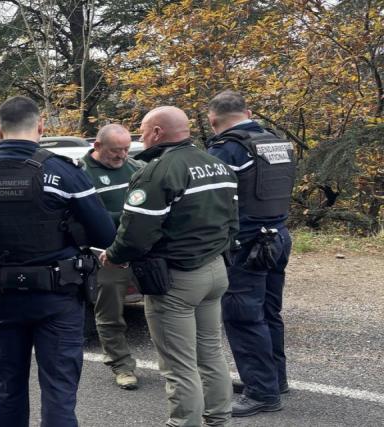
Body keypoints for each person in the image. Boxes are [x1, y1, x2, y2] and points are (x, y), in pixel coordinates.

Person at [0, 95, 115, 426]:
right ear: (40, 126)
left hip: (3, 297)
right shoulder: (63, 172)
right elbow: (105, 235)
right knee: (59, 392)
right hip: (57, 298)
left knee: (8, 389)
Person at [100, 106, 237, 426]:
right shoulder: (218, 165)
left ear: (158, 133)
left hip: (176, 279)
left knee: (179, 365)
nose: (141, 138)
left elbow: (135, 232)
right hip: (216, 271)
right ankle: (219, 419)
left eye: (143, 131)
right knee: (211, 353)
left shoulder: (157, 171)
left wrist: (115, 256)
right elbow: (233, 223)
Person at [206, 90, 296, 417]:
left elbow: (209, 198)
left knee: (243, 316)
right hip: (278, 236)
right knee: (270, 311)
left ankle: (261, 392)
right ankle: (274, 380)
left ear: (213, 120)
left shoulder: (227, 149)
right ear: (249, 111)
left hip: (246, 244)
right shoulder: (278, 142)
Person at [79, 124, 144, 390]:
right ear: (97, 146)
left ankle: (175, 364)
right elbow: (89, 219)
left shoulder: (136, 167)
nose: (121, 156)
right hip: (107, 254)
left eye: (126, 149)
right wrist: (132, 217)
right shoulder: (81, 173)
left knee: (164, 307)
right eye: (115, 151)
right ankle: (121, 365)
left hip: (143, 250)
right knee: (110, 314)